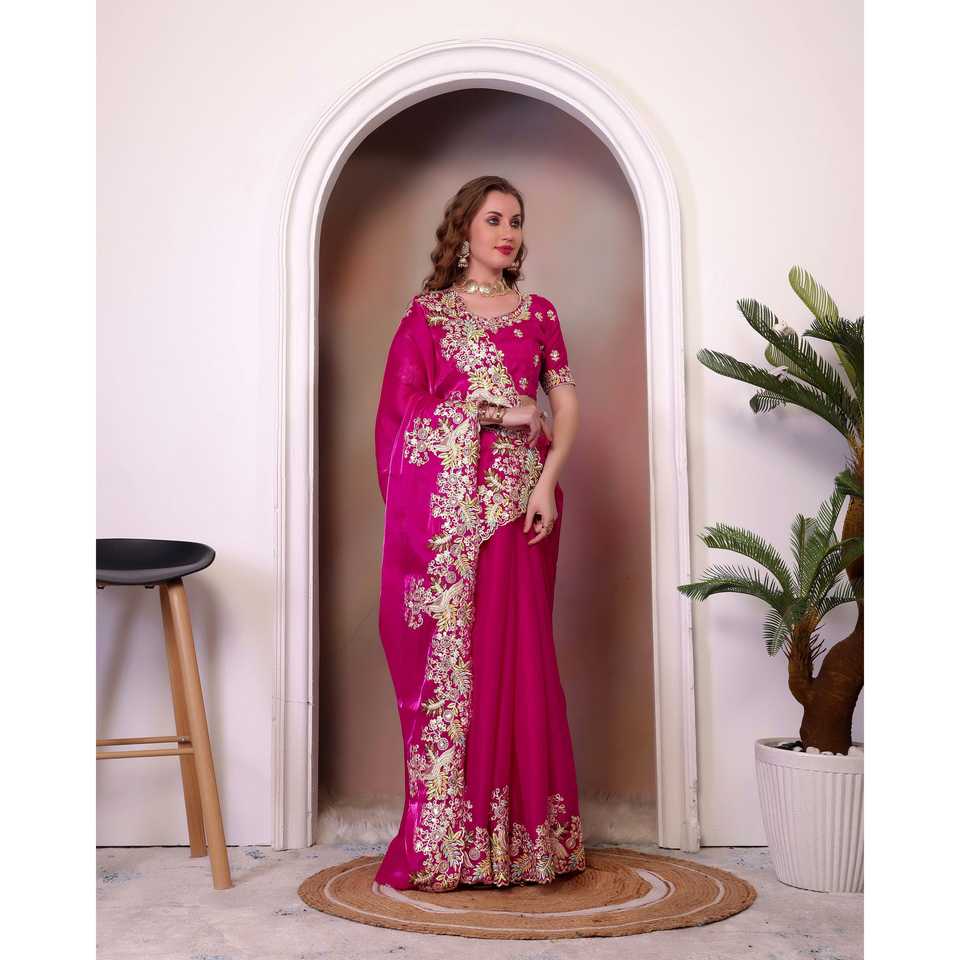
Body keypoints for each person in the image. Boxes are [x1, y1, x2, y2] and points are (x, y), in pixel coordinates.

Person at [373, 175, 586, 892]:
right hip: (453, 521)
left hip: (521, 508)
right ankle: (460, 844)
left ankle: (525, 844)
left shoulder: (540, 313)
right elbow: (401, 418)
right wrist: (494, 413)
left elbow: (564, 404)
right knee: (470, 662)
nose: (508, 233)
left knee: (521, 658)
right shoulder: (428, 318)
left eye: (516, 221)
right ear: (464, 229)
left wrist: (548, 480)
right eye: (494, 219)